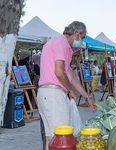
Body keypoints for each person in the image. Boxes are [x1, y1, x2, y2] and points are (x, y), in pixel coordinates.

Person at [37, 21, 95, 150]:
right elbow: (59, 72)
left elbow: (72, 77)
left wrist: (87, 97)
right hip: (53, 94)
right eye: (83, 37)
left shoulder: (66, 48)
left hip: (48, 94)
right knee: (61, 139)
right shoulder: (61, 42)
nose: (82, 41)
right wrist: (69, 90)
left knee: (51, 138)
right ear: (76, 34)